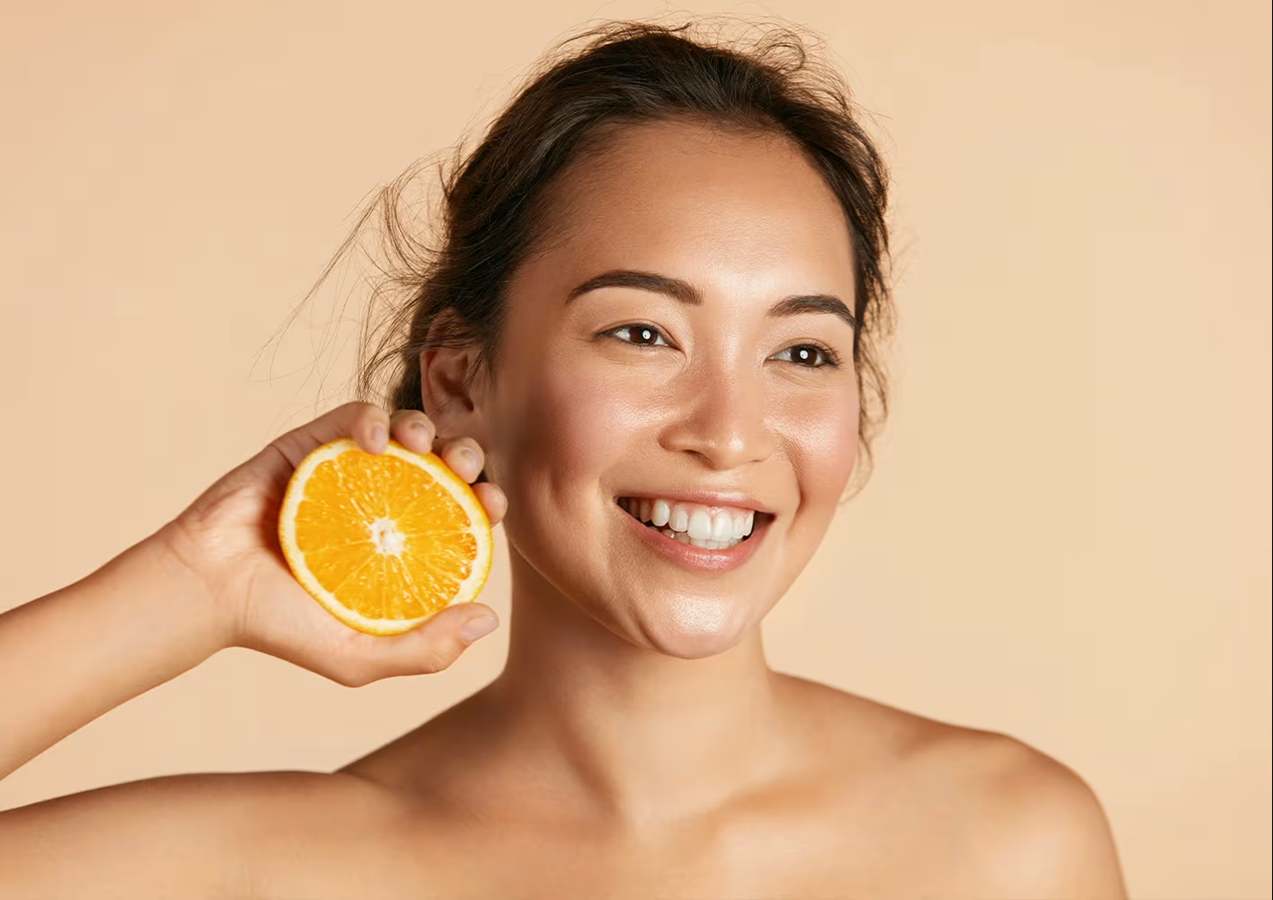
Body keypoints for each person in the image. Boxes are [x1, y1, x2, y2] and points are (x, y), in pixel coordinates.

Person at [0, 19, 1128, 899]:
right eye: (640, 333)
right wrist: (191, 587)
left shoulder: (1009, 844)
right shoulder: (273, 866)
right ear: (459, 377)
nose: (729, 432)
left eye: (800, 349)